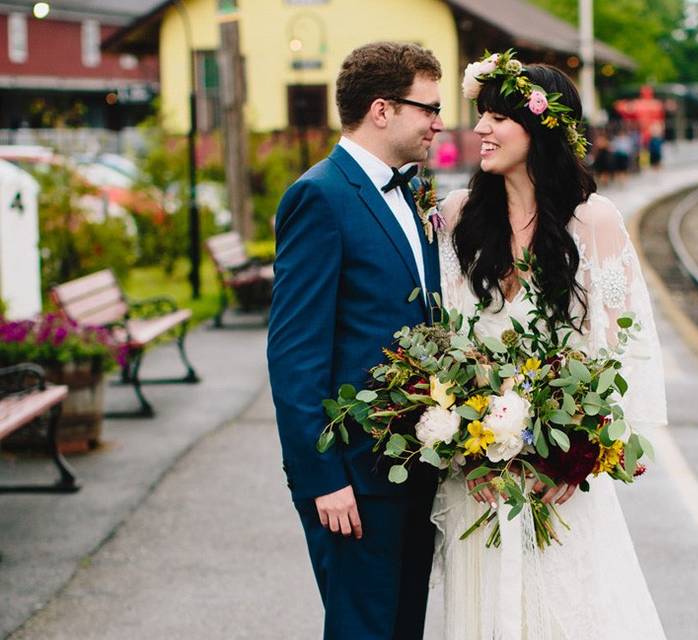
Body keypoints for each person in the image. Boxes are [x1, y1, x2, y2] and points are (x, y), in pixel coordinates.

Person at [431, 55, 668, 639]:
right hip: (478, 482)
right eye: (480, 114)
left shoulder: (595, 221)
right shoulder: (456, 216)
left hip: (560, 481)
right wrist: (465, 447)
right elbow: (437, 340)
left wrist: (583, 451)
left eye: (498, 117)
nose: (481, 128)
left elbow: (622, 348)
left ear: (543, 127)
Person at [267, 41, 444, 640]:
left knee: (402, 628)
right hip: (353, 480)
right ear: (382, 109)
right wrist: (323, 479)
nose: (439, 122)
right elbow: (295, 354)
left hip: (410, 468)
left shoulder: (412, 190)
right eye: (428, 107)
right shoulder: (320, 196)